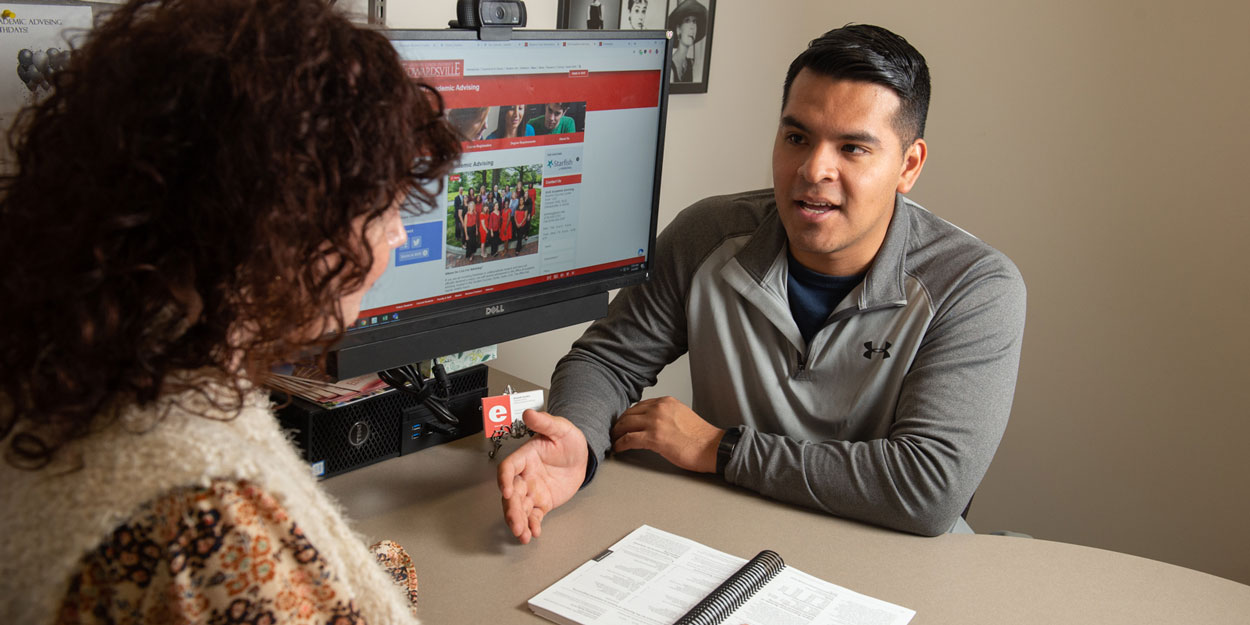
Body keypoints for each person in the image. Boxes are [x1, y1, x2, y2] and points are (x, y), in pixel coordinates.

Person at [0, 1, 461, 623]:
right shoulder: (207, 529)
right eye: (380, 206)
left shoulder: (81, 368)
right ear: (274, 223)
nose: (399, 235)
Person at [497, 24, 1027, 541]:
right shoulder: (705, 235)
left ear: (908, 165)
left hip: (892, 562)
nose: (814, 168)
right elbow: (606, 361)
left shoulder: (975, 287)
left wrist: (719, 449)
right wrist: (578, 442)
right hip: (734, 542)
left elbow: (928, 489)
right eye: (797, 137)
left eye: (852, 149)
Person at [667, 0, 707, 83]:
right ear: (678, 30)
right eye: (687, 21)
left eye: (694, 21)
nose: (692, 27)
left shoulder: (690, 64)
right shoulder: (670, 67)